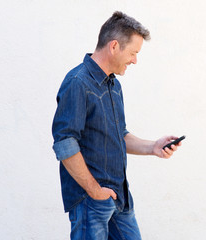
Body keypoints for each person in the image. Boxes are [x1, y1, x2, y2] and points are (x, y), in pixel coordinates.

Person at [52, 11, 182, 240]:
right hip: (91, 202)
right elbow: (65, 143)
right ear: (114, 46)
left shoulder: (113, 85)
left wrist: (153, 147)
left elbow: (118, 135)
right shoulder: (77, 82)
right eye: (133, 53)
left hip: (119, 198)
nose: (135, 60)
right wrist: (94, 191)